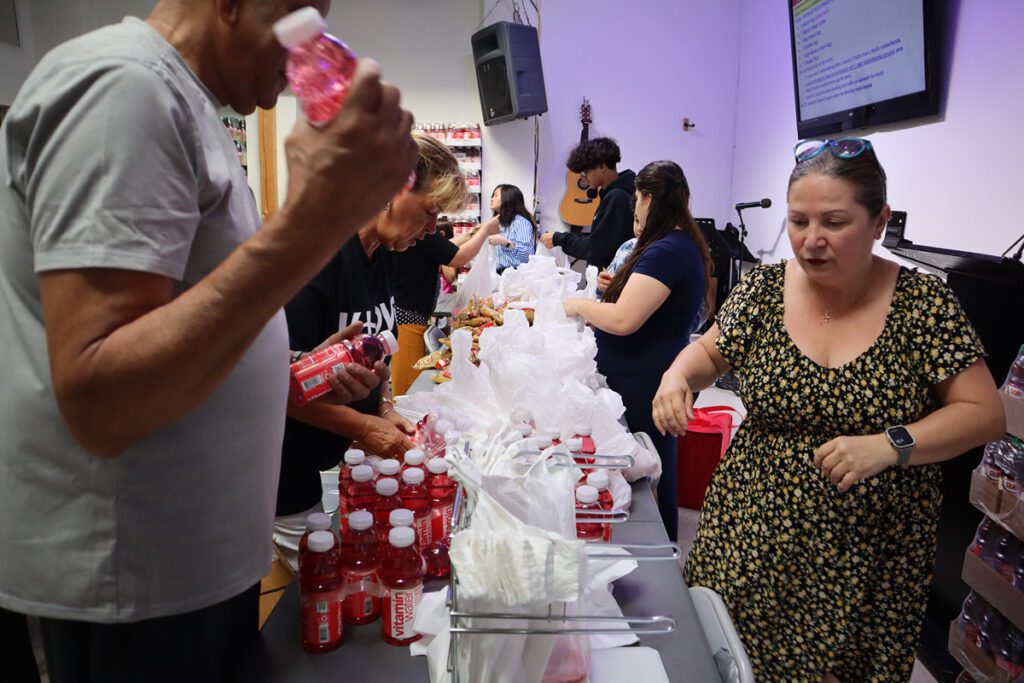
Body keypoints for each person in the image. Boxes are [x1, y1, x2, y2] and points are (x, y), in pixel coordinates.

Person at [0, 0, 417, 680]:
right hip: (139, 585)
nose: (308, 57)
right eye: (299, 20)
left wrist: (291, 364)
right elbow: (102, 397)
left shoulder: (190, 107)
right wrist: (312, 221)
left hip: (188, 570)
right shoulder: (124, 87)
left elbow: (186, 319)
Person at [652, 138, 1006, 682]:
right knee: (727, 655)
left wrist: (891, 444)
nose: (811, 240)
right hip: (751, 526)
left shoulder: (922, 305)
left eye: (834, 222)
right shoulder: (765, 289)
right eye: (798, 221)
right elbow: (708, 354)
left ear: (879, 220)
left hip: (866, 552)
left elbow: (983, 412)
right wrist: (677, 376)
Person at [275, 131, 470, 567]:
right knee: (317, 579)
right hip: (283, 464)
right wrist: (364, 427)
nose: (431, 230)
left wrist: (382, 407)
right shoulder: (318, 252)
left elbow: (377, 347)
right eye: (429, 213)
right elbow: (274, 386)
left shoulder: (381, 253)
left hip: (326, 452)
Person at [563, 160, 711, 540]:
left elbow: (624, 319)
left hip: (643, 379)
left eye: (637, 200)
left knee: (648, 473)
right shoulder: (676, 246)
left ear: (647, 199)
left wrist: (579, 306)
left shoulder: (667, 251)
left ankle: (657, 547)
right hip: (644, 372)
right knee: (653, 466)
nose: (635, 208)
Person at [391, 201, 500, 397]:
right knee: (407, 388)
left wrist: (471, 234)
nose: (433, 225)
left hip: (412, 314)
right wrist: (484, 232)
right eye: (432, 214)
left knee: (409, 380)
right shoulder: (419, 228)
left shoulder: (417, 227)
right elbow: (457, 257)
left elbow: (444, 248)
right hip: (408, 317)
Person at [539, 137, 635, 271]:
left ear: (602, 166)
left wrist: (559, 239)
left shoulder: (617, 197)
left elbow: (594, 248)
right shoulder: (615, 194)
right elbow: (599, 237)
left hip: (610, 277)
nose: (583, 179)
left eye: (585, 172)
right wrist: (559, 237)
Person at [488, 183, 537, 273]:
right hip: (498, 275)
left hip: (515, 276)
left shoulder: (520, 222)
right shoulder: (497, 223)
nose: (492, 199)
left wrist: (504, 242)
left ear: (508, 198)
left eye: (496, 195)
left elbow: (527, 255)